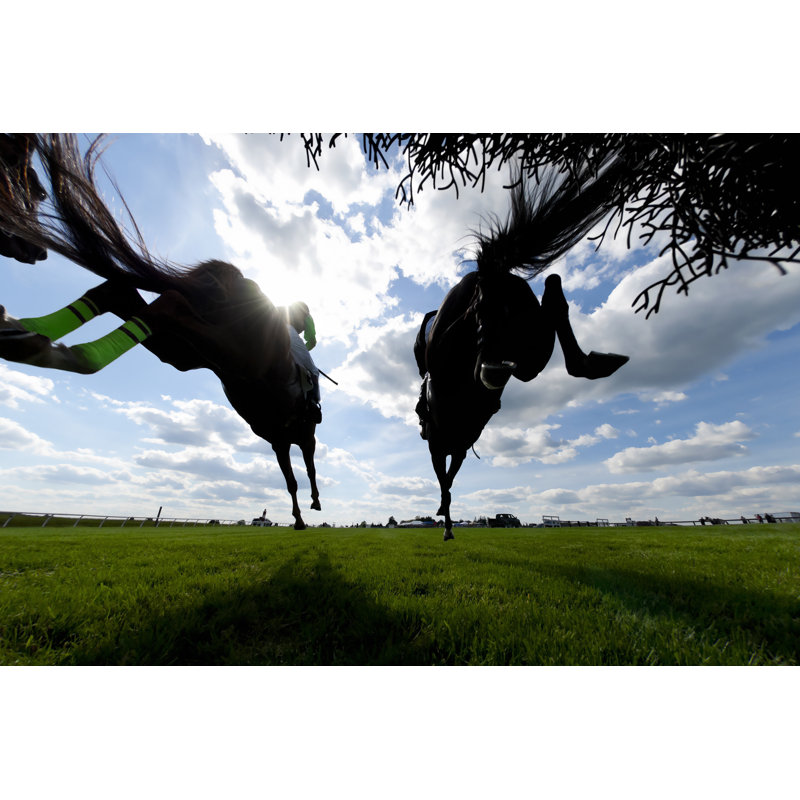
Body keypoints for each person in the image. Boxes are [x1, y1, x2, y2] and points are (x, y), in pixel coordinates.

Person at [283, 301, 321, 423]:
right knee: (314, 370)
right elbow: (311, 341)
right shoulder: (307, 317)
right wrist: (303, 351)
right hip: (287, 333)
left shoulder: (281, 309)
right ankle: (313, 403)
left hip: (266, 332)